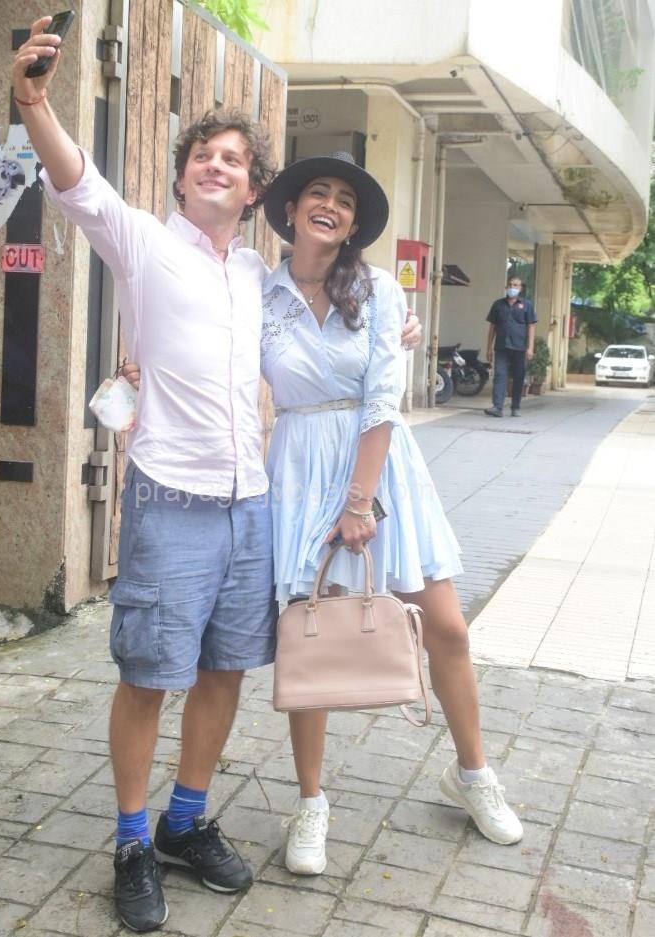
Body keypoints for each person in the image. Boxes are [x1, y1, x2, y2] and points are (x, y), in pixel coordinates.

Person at [13, 15, 422, 933]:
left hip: (253, 505)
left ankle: (185, 819)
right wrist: (33, 101)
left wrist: (400, 324)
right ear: (182, 174)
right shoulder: (142, 242)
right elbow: (77, 182)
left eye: (233, 159)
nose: (216, 165)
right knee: (147, 676)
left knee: (226, 669)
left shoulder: (257, 275)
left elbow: (339, 302)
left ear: (254, 187)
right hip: (171, 499)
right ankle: (131, 838)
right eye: (203, 154)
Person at [259, 153, 523, 877]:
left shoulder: (376, 288)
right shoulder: (258, 291)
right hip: (298, 464)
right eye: (318, 193)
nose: (331, 205)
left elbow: (382, 394)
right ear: (291, 210)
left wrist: (359, 501)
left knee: (446, 627)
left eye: (345, 200)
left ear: (352, 225)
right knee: (309, 636)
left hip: (379, 464)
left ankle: (472, 774)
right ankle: (310, 802)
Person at [484, 276, 536, 418]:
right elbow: (492, 327)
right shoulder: (498, 305)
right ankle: (497, 407)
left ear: (520, 288)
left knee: (519, 377)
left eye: (516, 285)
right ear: (506, 287)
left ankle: (515, 407)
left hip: (519, 348)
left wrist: (530, 348)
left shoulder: (527, 305)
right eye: (510, 284)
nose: (513, 287)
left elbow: (531, 326)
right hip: (501, 347)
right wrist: (489, 348)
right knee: (500, 375)